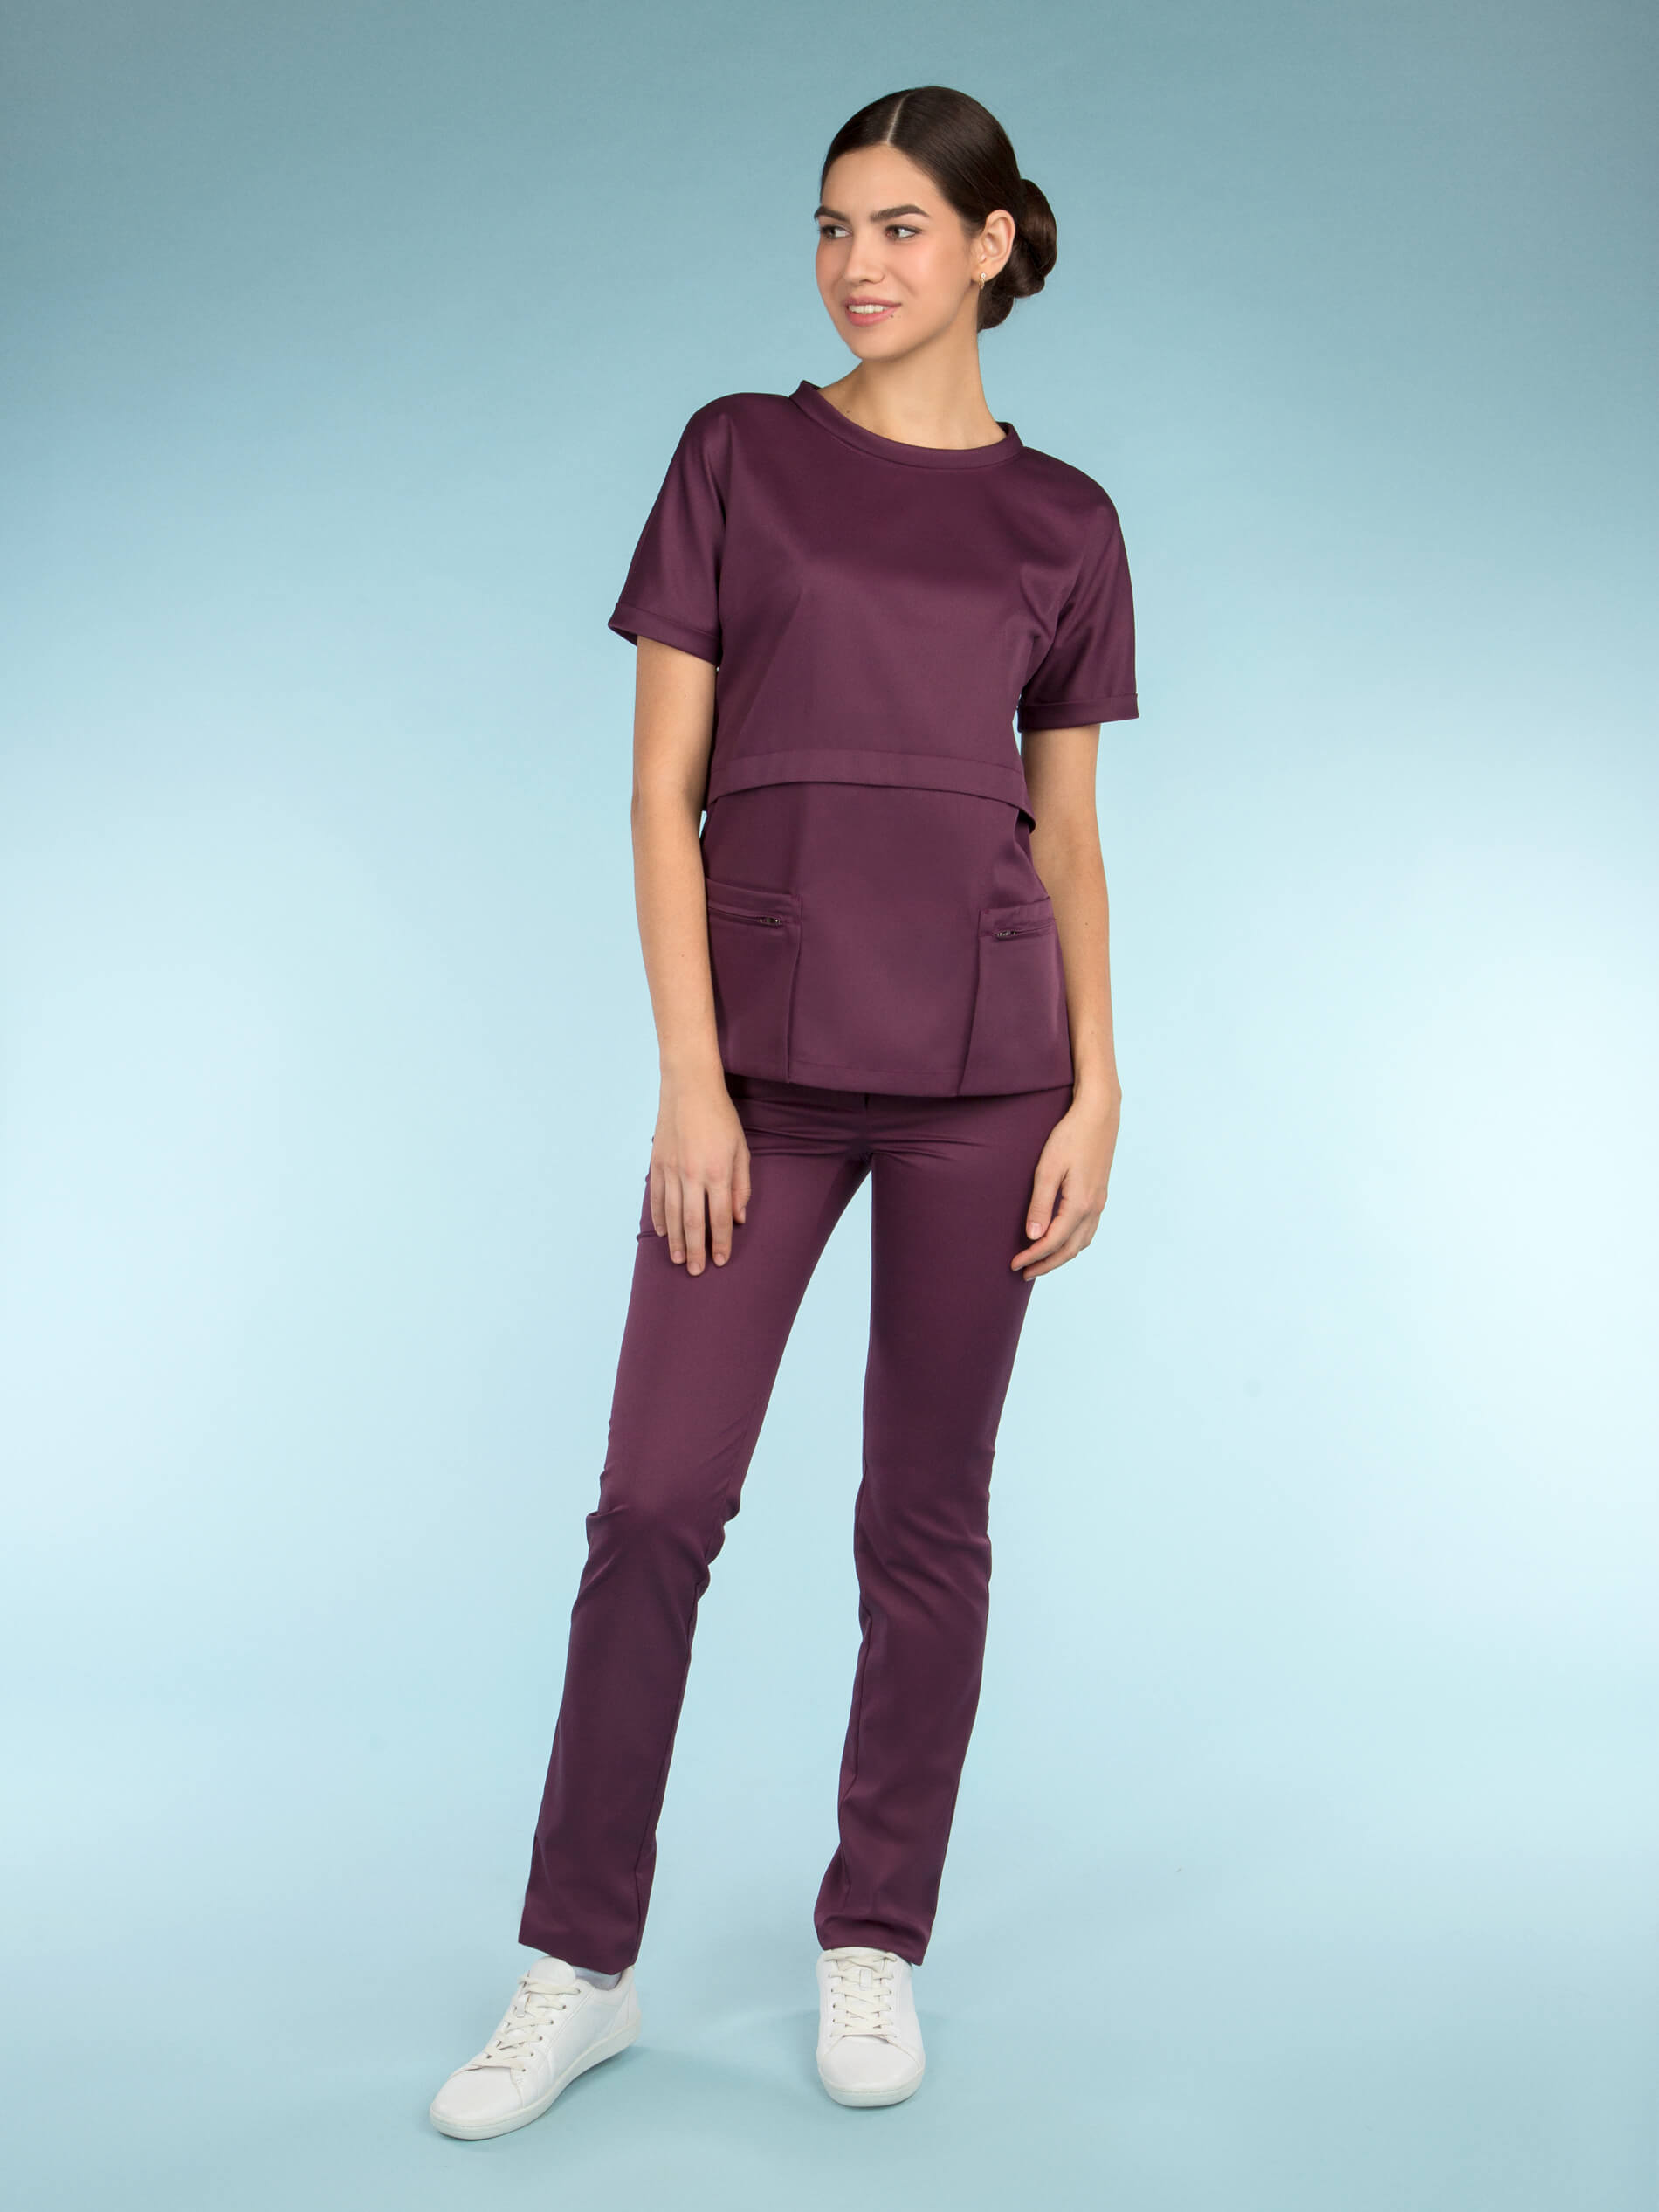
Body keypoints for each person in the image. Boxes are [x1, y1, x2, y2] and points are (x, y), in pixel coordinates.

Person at [429, 81, 1137, 2137]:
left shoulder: (1065, 520)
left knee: (922, 1517)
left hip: (988, 1074)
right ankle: (579, 1966)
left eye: (901, 227)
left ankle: (873, 1934)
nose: (856, 264)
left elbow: (1067, 833)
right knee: (655, 1500)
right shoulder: (736, 453)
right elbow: (660, 786)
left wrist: (1099, 1081)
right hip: (757, 1072)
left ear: (990, 247)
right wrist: (691, 1078)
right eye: (833, 225)